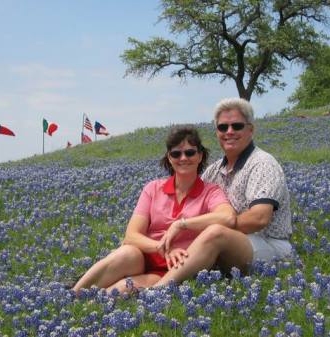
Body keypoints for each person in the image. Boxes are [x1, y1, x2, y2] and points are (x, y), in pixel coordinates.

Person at [71, 127, 235, 294]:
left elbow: (227, 217)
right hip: (143, 257)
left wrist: (182, 224)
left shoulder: (210, 191)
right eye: (176, 154)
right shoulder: (153, 188)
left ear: (200, 156)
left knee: (117, 291)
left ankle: (85, 302)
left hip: (174, 269)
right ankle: (72, 294)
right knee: (125, 252)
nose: (183, 158)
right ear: (169, 158)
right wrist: (162, 248)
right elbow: (131, 236)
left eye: (190, 153)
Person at [153, 98, 292, 287]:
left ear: (250, 130)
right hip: (227, 244)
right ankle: (143, 283)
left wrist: (211, 226)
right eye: (223, 127)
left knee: (214, 231)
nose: (229, 132)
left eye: (237, 126)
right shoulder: (214, 170)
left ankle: (158, 291)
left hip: (268, 244)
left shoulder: (262, 164)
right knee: (208, 234)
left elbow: (258, 219)